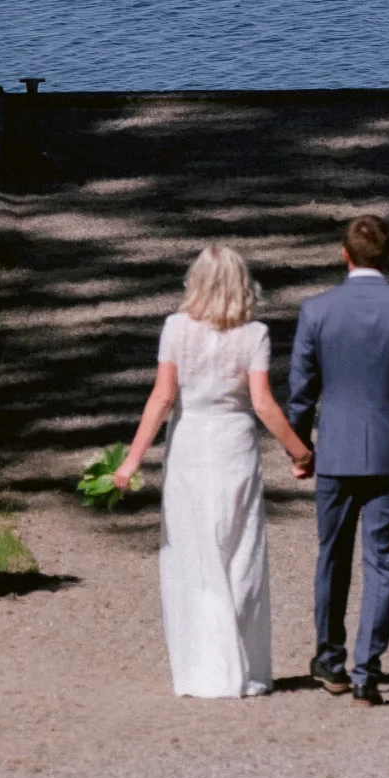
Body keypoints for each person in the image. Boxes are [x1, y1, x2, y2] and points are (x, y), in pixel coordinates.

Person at [114, 243, 313, 699]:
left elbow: (163, 397)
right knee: (238, 549)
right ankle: (241, 666)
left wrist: (133, 458)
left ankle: (202, 667)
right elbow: (262, 402)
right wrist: (299, 451)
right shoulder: (255, 334)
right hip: (233, 445)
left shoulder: (175, 329)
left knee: (194, 550)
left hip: (190, 446)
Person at [288, 214, 389, 706]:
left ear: (344, 254)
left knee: (332, 556)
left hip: (335, 450)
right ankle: (367, 670)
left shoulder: (317, 310)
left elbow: (301, 391)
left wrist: (298, 446)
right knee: (383, 563)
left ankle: (330, 659)